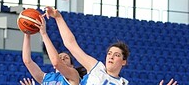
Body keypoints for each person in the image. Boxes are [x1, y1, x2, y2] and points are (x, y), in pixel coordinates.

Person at [44, 6, 178, 85]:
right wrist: (59, 18)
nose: (111, 57)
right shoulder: (96, 68)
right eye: (109, 53)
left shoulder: (123, 83)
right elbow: (71, 44)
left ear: (124, 62)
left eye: (117, 55)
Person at [20, 14, 80, 85]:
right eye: (60, 57)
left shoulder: (74, 75)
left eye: (66, 58)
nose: (62, 59)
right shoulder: (46, 78)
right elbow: (27, 61)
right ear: (53, 67)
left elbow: (56, 62)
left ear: (72, 65)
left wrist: (44, 34)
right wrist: (27, 34)